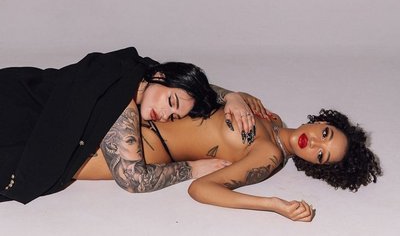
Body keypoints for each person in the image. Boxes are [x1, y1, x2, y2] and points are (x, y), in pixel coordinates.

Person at [0, 47, 266, 204]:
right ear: (160, 76)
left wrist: (231, 97)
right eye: (170, 102)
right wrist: (193, 168)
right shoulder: (121, 102)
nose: (165, 115)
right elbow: (133, 179)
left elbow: (188, 87)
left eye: (174, 116)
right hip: (16, 111)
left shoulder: (139, 68)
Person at [75, 105, 381, 222]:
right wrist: (233, 95)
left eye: (321, 154)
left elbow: (201, 189)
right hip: (130, 115)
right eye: (325, 134)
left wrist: (273, 204)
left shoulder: (269, 156)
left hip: (132, 150)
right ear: (323, 122)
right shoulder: (272, 117)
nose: (313, 143)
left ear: (315, 164)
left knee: (51, 160)